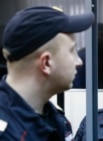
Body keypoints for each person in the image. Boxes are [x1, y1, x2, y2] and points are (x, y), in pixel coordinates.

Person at [0, 6, 95, 141]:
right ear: (46, 63)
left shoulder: (54, 119)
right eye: (72, 50)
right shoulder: (7, 134)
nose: (79, 61)